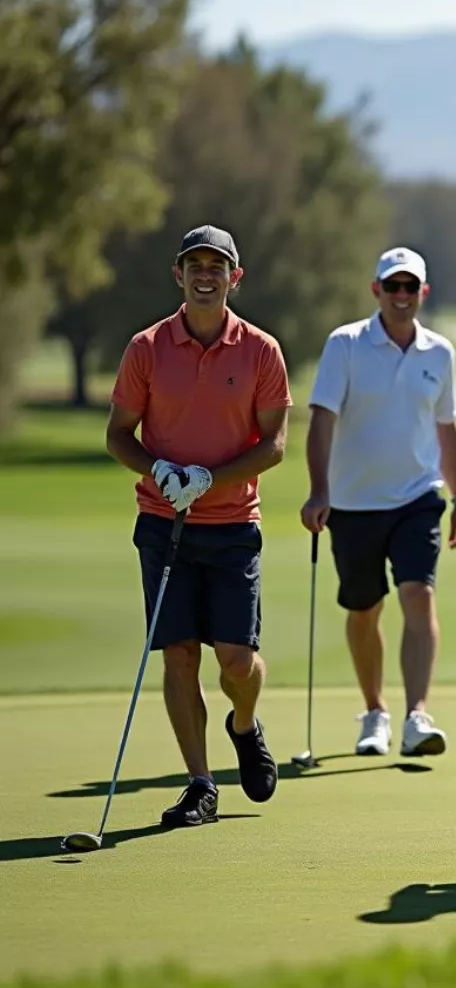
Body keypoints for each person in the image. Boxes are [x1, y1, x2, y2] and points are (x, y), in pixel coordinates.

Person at [106, 225, 292, 828]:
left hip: (233, 525)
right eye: (195, 265)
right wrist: (158, 467)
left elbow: (275, 445)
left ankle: (245, 723)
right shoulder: (147, 348)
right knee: (179, 655)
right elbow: (117, 434)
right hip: (163, 524)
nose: (206, 274)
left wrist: (211, 478)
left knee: (237, 662)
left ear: (235, 277)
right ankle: (200, 784)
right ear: (178, 275)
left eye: (218, 265)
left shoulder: (261, 350)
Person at [301, 246, 456, 759]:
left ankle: (418, 715)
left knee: (418, 593)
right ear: (376, 290)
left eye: (409, 287)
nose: (401, 296)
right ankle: (375, 710)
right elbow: (322, 420)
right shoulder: (346, 344)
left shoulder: (440, 352)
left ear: (423, 292)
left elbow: (446, 428)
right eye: (391, 286)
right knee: (364, 607)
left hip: (419, 497)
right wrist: (319, 490)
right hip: (353, 502)